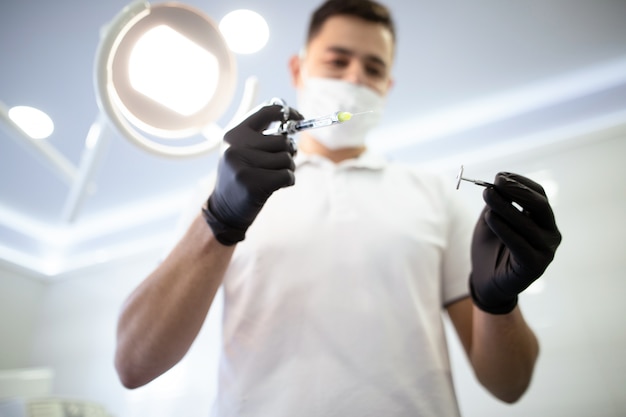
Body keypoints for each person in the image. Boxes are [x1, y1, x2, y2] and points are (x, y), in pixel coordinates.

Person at [114, 1, 562, 416]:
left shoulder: (434, 194)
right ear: (298, 67)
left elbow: (510, 386)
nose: (353, 79)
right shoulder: (226, 187)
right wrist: (219, 218)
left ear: (388, 86)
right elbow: (134, 365)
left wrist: (498, 302)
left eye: (373, 68)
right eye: (337, 60)